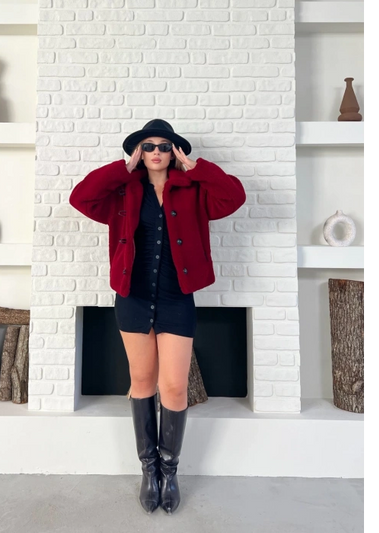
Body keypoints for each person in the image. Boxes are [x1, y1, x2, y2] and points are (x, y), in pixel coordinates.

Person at [69, 119, 246, 515]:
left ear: (174, 152)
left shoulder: (194, 189)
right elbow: (81, 197)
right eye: (147, 146)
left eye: (164, 146)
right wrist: (123, 168)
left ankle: (170, 471)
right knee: (142, 381)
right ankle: (149, 471)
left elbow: (234, 196)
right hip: (132, 298)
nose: (156, 152)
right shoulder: (123, 190)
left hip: (176, 299)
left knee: (175, 387)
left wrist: (198, 167)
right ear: (139, 152)